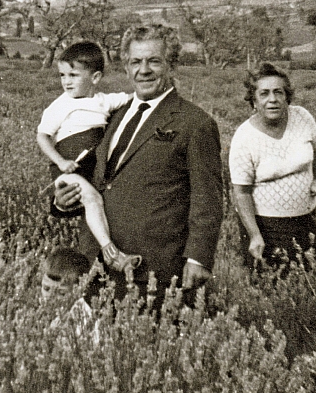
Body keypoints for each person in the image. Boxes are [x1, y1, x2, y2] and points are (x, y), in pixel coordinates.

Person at [54, 25, 224, 307]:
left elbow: (207, 197)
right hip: (96, 262)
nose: (143, 70)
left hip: (153, 267)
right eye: (135, 62)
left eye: (153, 61)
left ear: (171, 64)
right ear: (126, 66)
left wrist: (198, 258)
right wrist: (62, 201)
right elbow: (97, 178)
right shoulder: (113, 114)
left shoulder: (195, 123)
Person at [37, 41, 139, 273]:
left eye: (73, 75)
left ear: (95, 78)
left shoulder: (103, 101)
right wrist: (61, 162)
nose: (66, 81)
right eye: (62, 75)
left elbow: (133, 98)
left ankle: (108, 253)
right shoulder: (60, 105)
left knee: (94, 201)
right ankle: (110, 252)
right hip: (67, 169)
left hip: (89, 168)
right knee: (93, 200)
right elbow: (43, 136)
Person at [229, 61, 316, 273]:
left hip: (305, 221)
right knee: (270, 285)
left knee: (306, 281)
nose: (272, 99)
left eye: (278, 92)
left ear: (287, 97)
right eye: (264, 93)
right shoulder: (244, 137)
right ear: (254, 100)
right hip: (266, 228)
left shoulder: (302, 116)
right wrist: (255, 234)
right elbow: (241, 193)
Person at [41, 246, 99, 343]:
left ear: (81, 291)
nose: (50, 297)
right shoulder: (49, 314)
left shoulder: (84, 320)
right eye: (46, 288)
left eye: (61, 293)